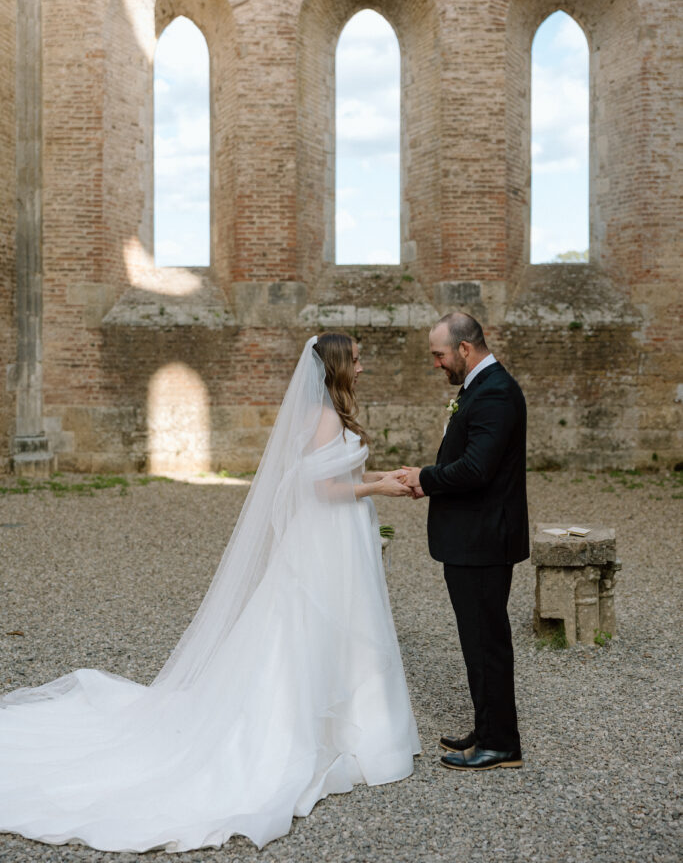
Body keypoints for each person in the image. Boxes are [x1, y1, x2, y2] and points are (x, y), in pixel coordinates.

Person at [0, 333, 420, 853]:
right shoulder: (326, 418)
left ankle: (353, 726)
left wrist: (387, 476)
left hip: (341, 535)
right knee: (310, 626)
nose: (363, 367)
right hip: (326, 538)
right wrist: (377, 488)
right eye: (355, 360)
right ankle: (308, 731)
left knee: (339, 625)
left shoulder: (332, 413)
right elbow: (317, 489)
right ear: (335, 365)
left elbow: (340, 472)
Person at [401, 312, 528, 771]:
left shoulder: (494, 392)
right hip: (476, 537)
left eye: (439, 355)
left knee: (486, 640)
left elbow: (477, 469)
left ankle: (500, 744)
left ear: (465, 349)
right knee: (477, 639)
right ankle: (488, 726)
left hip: (483, 541)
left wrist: (424, 478)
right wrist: (427, 480)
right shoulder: (480, 387)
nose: (437, 364)